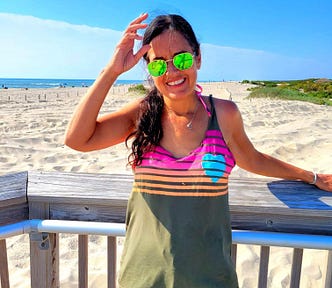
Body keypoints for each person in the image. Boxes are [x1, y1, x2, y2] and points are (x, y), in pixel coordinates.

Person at [65, 13, 332, 288]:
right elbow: (77, 139)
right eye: (158, 65)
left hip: (210, 276)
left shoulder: (224, 115)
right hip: (144, 276)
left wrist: (311, 177)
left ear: (198, 57)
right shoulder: (142, 114)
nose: (172, 72)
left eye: (182, 59)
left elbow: (253, 159)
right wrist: (111, 71)